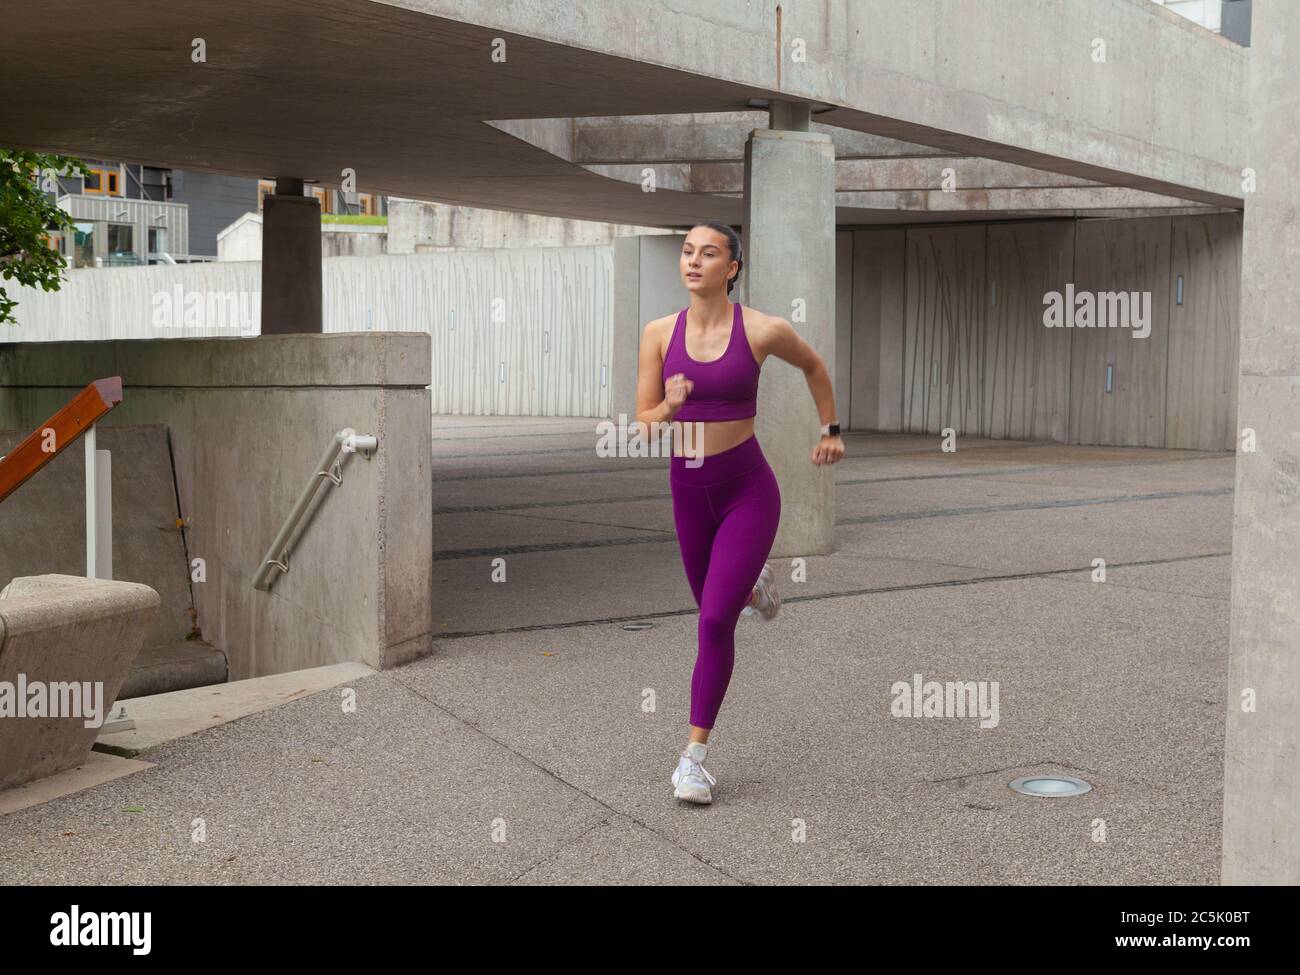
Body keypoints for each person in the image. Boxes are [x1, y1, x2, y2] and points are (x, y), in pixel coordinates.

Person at [634, 220, 845, 804]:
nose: (693, 261)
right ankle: (753, 586)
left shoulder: (762, 329)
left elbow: (814, 366)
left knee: (711, 623)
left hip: (748, 491)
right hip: (687, 492)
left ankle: (693, 760)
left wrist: (830, 429)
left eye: (708, 253)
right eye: (686, 252)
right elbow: (643, 423)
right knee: (711, 605)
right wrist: (670, 406)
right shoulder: (657, 334)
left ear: (731, 268)